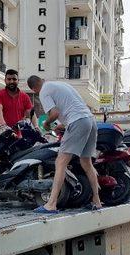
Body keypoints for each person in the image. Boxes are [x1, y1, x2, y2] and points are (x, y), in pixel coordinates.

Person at [27, 75, 101, 213]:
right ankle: (96, 201)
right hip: (90, 121)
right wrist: (61, 125)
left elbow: (54, 113)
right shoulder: (61, 84)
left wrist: (46, 123)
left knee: (60, 162)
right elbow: (74, 109)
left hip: (78, 122)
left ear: (34, 89)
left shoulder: (43, 91)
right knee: (87, 163)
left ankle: (51, 204)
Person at [0, 69, 38, 137]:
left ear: (18, 80)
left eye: (14, 79)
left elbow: (31, 113)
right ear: (5, 80)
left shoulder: (24, 96)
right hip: (0, 134)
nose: (11, 81)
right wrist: (2, 123)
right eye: (9, 79)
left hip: (16, 136)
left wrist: (36, 126)